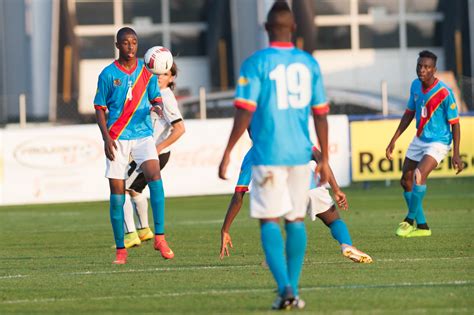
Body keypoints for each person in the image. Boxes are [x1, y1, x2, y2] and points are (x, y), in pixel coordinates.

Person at [218, 1, 331, 310]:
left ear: (266, 28)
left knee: (269, 220)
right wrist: (323, 157)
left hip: (267, 154)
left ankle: (285, 289)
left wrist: (228, 150)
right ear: (294, 28)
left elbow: (244, 112)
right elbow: (321, 115)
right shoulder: (309, 64)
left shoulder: (255, 63)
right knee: (295, 220)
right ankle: (292, 288)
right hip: (299, 154)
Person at [94, 27, 173, 264]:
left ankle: (159, 237)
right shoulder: (108, 74)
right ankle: (121, 249)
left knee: (155, 178)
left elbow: (155, 98)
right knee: (117, 194)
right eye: (126, 43)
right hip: (117, 138)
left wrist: (157, 107)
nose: (131, 46)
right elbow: (99, 108)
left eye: (134, 42)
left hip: (142, 135)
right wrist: (107, 138)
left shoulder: (147, 73)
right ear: (117, 45)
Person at [220, 147, 373, 264]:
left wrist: (225, 229)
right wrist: (336, 189)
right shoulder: (293, 134)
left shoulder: (252, 154)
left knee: (277, 223)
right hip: (310, 185)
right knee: (333, 221)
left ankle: (276, 257)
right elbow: (319, 157)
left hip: (280, 193)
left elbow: (238, 195)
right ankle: (346, 245)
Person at [386, 50, 463, 238]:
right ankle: (422, 227)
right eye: (420, 65)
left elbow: (455, 124)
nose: (422, 70)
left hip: (439, 142)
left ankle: (408, 220)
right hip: (419, 139)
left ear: (434, 70)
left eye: (427, 67)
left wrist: (456, 153)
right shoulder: (415, 85)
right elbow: (409, 114)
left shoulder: (444, 92)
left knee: (419, 176)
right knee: (406, 180)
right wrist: (393, 139)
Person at [121, 62, 185, 249]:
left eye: (164, 73)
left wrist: (157, 149)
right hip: (148, 152)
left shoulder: (166, 97)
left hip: (155, 153)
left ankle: (130, 235)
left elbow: (180, 129)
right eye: (156, 72)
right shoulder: (153, 95)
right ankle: (143, 230)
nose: (159, 76)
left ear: (171, 78)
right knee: (134, 189)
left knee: (121, 188)